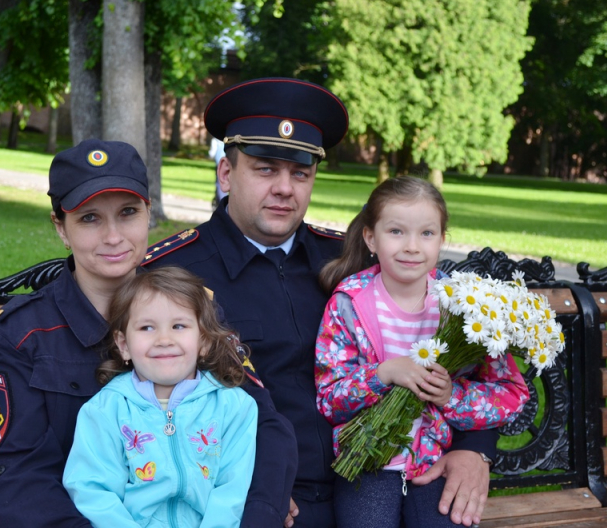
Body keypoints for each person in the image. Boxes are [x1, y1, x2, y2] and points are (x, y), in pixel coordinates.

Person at [143, 77, 500, 528]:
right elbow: (152, 403)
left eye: (300, 173)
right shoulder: (175, 276)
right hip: (275, 498)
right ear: (227, 173)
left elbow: (463, 345)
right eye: (266, 169)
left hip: (391, 478)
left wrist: (475, 449)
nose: (285, 189)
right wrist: (233, 481)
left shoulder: (357, 261)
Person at [0, 139, 296, 528]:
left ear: (148, 213)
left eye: (128, 213)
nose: (113, 236)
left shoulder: (190, 308)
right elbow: (15, 480)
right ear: (61, 227)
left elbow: (264, 424)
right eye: (89, 218)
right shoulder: (23, 334)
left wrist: (260, 514)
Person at [315, 177, 530, 527]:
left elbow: (511, 395)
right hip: (366, 462)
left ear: (443, 239)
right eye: (396, 232)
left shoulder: (463, 308)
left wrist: (450, 396)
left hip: (434, 461)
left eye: (426, 234)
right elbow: (328, 399)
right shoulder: (349, 305)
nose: (412, 246)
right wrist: (382, 374)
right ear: (371, 237)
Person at [63, 267, 258, 526]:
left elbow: (232, 490)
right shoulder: (105, 410)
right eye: (146, 327)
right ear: (124, 345)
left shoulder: (234, 407)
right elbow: (93, 491)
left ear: (204, 341)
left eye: (179, 325)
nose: (164, 339)